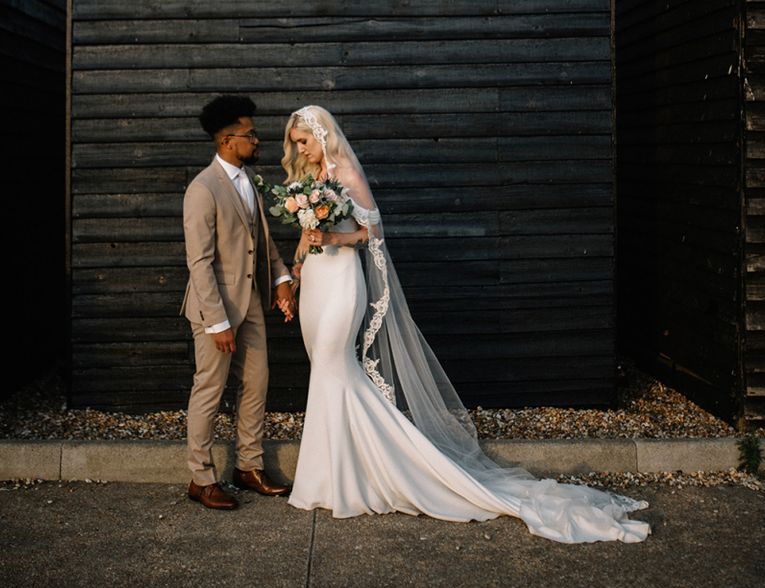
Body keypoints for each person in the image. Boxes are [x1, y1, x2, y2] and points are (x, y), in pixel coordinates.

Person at [280, 105, 650, 543]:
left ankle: (383, 469)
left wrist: (336, 238)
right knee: (324, 373)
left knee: (335, 366)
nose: (299, 148)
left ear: (323, 136)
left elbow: (373, 233)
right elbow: (305, 234)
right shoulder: (308, 181)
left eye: (303, 140)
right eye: (296, 143)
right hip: (317, 283)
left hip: (343, 282)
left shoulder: (344, 173)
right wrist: (295, 274)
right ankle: (333, 475)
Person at [181, 95, 296, 510]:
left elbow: (261, 243)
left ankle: (248, 466)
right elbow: (199, 262)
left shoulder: (249, 181)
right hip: (216, 310)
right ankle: (201, 477)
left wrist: (282, 278)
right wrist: (216, 321)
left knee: (258, 381)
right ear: (228, 141)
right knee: (209, 389)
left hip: (249, 304)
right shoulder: (202, 189)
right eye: (250, 134)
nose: (257, 139)